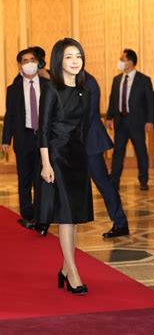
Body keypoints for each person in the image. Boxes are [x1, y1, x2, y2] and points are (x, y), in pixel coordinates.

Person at [35, 38, 93, 294]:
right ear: (59, 60)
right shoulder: (52, 89)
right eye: (69, 56)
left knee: (74, 218)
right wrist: (46, 163)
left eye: (78, 56)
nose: (75, 61)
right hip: (57, 156)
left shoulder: (84, 90)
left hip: (78, 156)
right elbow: (44, 128)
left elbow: (85, 128)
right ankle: (73, 273)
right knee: (66, 216)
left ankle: (65, 268)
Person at [2, 48, 48, 228]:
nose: (29, 63)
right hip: (23, 138)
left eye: (32, 60)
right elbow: (10, 115)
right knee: (25, 179)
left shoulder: (47, 85)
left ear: (37, 63)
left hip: (43, 139)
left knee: (42, 179)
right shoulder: (13, 89)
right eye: (25, 60)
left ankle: (41, 215)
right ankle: (28, 215)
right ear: (20, 65)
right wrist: (6, 139)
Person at [85, 72, 130, 238]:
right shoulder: (64, 81)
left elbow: (87, 116)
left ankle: (120, 222)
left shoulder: (88, 82)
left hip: (89, 143)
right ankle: (43, 220)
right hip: (72, 142)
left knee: (103, 183)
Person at [106, 49, 154, 191]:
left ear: (131, 62)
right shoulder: (116, 80)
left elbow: (150, 102)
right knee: (118, 153)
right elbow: (112, 100)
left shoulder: (144, 80)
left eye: (123, 59)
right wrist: (109, 117)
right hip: (120, 121)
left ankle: (143, 180)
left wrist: (149, 121)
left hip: (137, 122)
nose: (120, 61)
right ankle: (114, 181)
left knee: (141, 151)